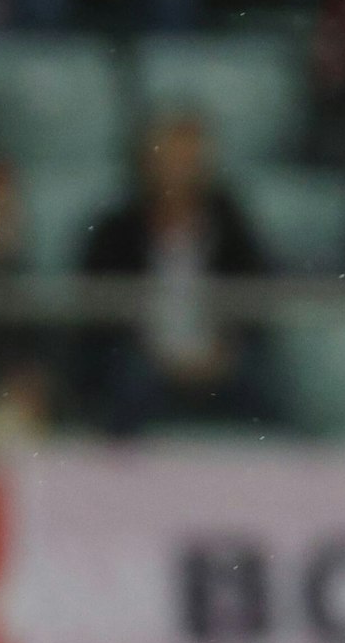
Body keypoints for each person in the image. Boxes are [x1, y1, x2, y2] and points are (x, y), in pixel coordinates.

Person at [78, 113, 269, 435]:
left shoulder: (231, 225)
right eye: (171, 160)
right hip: (143, 360)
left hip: (219, 361)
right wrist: (156, 355)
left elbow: (257, 300)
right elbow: (97, 314)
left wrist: (223, 353)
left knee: (264, 389)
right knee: (123, 382)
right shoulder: (116, 230)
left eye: (189, 161)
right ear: (147, 163)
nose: (179, 171)